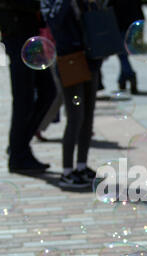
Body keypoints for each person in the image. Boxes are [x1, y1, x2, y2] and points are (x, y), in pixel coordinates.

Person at [41, 0, 100, 188]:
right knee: (76, 117)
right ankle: (67, 171)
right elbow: (55, 21)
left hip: (90, 57)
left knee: (88, 116)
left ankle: (81, 166)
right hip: (69, 60)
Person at [0, 0, 57, 173]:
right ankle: (18, 154)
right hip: (17, 31)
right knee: (23, 97)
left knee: (49, 91)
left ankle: (19, 146)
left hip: (29, 30)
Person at [108, 0, 144, 94]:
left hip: (120, 25)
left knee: (122, 54)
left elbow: (109, 7)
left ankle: (131, 75)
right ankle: (122, 80)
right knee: (123, 54)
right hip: (133, 24)